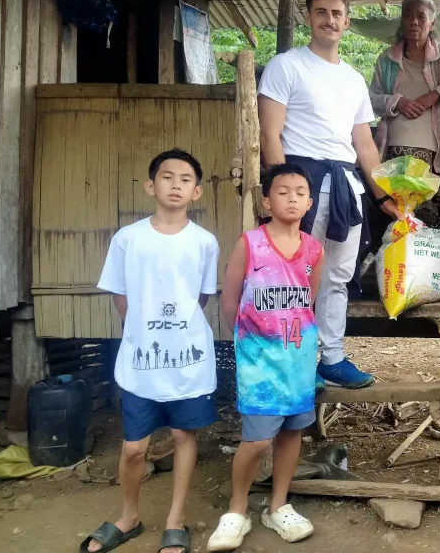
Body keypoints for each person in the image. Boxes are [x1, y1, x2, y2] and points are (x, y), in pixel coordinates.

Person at [258, 0, 401, 390]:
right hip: (301, 179)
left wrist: (384, 197)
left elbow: (364, 145)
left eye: (337, 13)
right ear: (308, 17)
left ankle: (332, 357)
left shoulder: (353, 80)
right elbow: (271, 134)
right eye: (321, 12)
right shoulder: (286, 66)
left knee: (337, 275)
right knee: (295, 273)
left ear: (347, 20)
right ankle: (293, 357)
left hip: (345, 185)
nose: (330, 20)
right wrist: (281, 190)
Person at [85, 149, 220, 553]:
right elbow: (120, 296)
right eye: (166, 177)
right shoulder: (128, 239)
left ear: (197, 192)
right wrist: (141, 332)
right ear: (150, 185)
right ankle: (129, 516)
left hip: (188, 360)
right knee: (134, 447)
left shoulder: (204, 242)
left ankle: (175, 521)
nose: (175, 184)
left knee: (182, 434)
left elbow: (201, 299)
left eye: (184, 179)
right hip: (142, 359)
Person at [206, 164, 324, 550]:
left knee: (292, 432)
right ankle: (236, 511)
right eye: (283, 190)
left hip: (299, 360)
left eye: (300, 191)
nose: (292, 197)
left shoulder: (313, 248)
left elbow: (311, 301)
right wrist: (248, 342)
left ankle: (278, 506)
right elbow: (230, 301)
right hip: (259, 362)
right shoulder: (250, 243)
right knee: (256, 441)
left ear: (309, 202)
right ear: (267, 200)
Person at [369, 0, 440, 233]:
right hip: (395, 149)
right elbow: (371, 98)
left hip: (434, 152)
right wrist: (397, 102)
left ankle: (428, 263)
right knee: (398, 213)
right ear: (401, 22)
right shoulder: (387, 59)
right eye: (408, 16)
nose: (414, 22)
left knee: (430, 215)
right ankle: (398, 263)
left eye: (421, 16)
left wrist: (435, 94)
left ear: (432, 23)